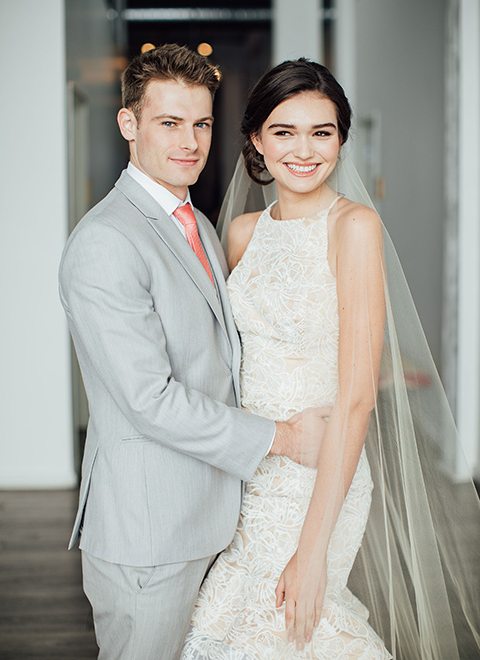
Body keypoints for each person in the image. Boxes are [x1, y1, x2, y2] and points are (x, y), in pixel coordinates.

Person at [182, 59, 480, 659]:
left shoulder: (354, 227)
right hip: (253, 468)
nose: (304, 150)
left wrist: (312, 551)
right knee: (226, 626)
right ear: (257, 141)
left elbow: (359, 395)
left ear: (341, 140)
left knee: (291, 624)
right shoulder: (241, 234)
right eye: (284, 131)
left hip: (321, 476)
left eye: (322, 132)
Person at [58, 44, 327, 660]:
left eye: (201, 123)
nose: (190, 141)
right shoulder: (106, 242)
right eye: (169, 122)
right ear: (129, 124)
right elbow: (149, 399)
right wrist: (283, 437)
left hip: (213, 513)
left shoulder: (198, 223)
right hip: (150, 530)